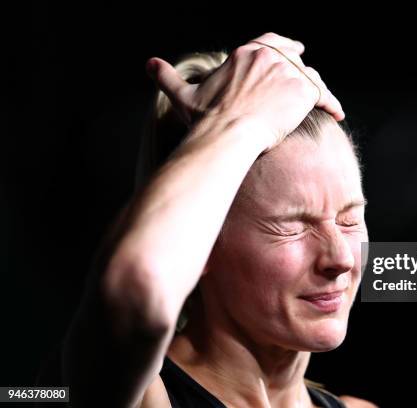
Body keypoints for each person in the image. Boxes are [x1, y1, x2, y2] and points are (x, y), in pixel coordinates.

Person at [49, 32, 376, 408]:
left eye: (349, 220)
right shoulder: (136, 396)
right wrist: (235, 124)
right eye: (293, 228)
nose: (342, 259)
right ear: (201, 245)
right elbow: (139, 287)